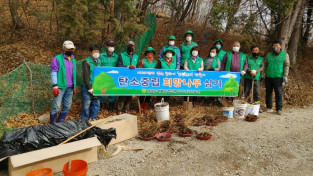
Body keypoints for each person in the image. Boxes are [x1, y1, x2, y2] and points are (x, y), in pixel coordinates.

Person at [50, 40, 77, 124]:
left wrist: (74, 86)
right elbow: (54, 72)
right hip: (60, 87)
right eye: (69, 49)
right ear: (64, 48)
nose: (70, 51)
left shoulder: (73, 60)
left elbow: (74, 73)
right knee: (56, 106)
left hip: (70, 87)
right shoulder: (57, 59)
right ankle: (53, 123)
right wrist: (55, 86)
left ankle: (60, 121)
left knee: (67, 106)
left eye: (72, 49)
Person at [263, 40, 290, 115]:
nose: (276, 47)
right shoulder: (269, 54)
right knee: (268, 92)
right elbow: (264, 64)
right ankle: (269, 107)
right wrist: (263, 73)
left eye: (277, 46)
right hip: (268, 76)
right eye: (274, 46)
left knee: (278, 93)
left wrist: (285, 75)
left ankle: (279, 108)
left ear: (280, 46)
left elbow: (286, 65)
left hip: (278, 77)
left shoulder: (285, 55)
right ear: (272, 46)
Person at [116, 41, 139, 114]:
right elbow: (119, 66)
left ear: (134, 47)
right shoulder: (121, 55)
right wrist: (127, 67)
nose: (131, 47)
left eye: (132, 46)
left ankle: (126, 108)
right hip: (123, 77)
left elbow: (137, 67)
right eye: (129, 46)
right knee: (122, 94)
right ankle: (119, 109)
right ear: (127, 47)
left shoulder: (136, 57)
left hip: (132, 78)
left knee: (129, 95)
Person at [81, 45, 101, 121]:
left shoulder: (99, 61)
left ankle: (93, 117)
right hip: (87, 86)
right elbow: (86, 75)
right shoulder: (86, 62)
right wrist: (89, 88)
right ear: (90, 52)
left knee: (96, 103)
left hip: (96, 85)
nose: (96, 53)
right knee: (86, 104)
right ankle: (84, 120)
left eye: (98, 51)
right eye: (94, 51)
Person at [100, 40, 118, 112]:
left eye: (113, 46)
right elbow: (98, 66)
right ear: (106, 46)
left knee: (113, 93)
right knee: (102, 93)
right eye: (110, 46)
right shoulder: (101, 56)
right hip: (103, 78)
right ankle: (100, 107)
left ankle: (111, 107)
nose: (111, 47)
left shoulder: (116, 56)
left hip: (113, 79)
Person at [139, 47, 158, 111]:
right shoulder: (143, 61)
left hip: (151, 80)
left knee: (149, 93)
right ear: (146, 53)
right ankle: (140, 106)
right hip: (144, 80)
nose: (150, 54)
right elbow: (139, 70)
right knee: (142, 93)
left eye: (151, 52)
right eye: (149, 52)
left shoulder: (155, 62)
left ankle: (145, 106)